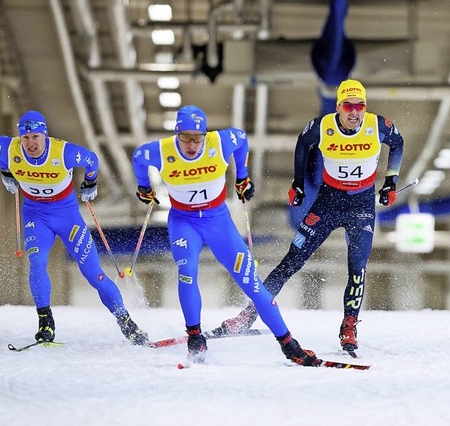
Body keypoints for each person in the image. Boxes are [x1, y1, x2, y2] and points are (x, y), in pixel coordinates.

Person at [217, 79, 404, 353]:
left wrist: (391, 182)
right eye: (348, 106)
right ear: (339, 106)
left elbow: (398, 144)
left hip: (361, 204)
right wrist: (299, 183)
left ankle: (349, 325)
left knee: (357, 267)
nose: (354, 113)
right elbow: (303, 145)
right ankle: (248, 315)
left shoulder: (378, 125)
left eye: (360, 106)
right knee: (292, 260)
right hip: (328, 201)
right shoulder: (322, 126)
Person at [132, 105, 321, 366]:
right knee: (187, 272)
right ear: (177, 134)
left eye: (197, 138)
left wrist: (242, 178)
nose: (191, 144)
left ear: (205, 134)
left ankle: (289, 345)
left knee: (251, 283)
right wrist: (144, 187)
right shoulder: (161, 150)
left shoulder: (219, 142)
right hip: (184, 222)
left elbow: (242, 139)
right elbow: (139, 158)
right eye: (185, 137)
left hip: (217, 221)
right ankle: (195, 336)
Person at [0, 110, 149, 345]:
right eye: (26, 138)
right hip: (36, 216)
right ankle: (45, 321)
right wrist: (6, 171)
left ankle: (127, 323)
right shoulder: (9, 148)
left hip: (67, 218)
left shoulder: (63, 152)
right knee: (36, 261)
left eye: (36, 137)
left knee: (94, 275)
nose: (31, 143)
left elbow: (91, 160)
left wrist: (90, 182)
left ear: (45, 135)